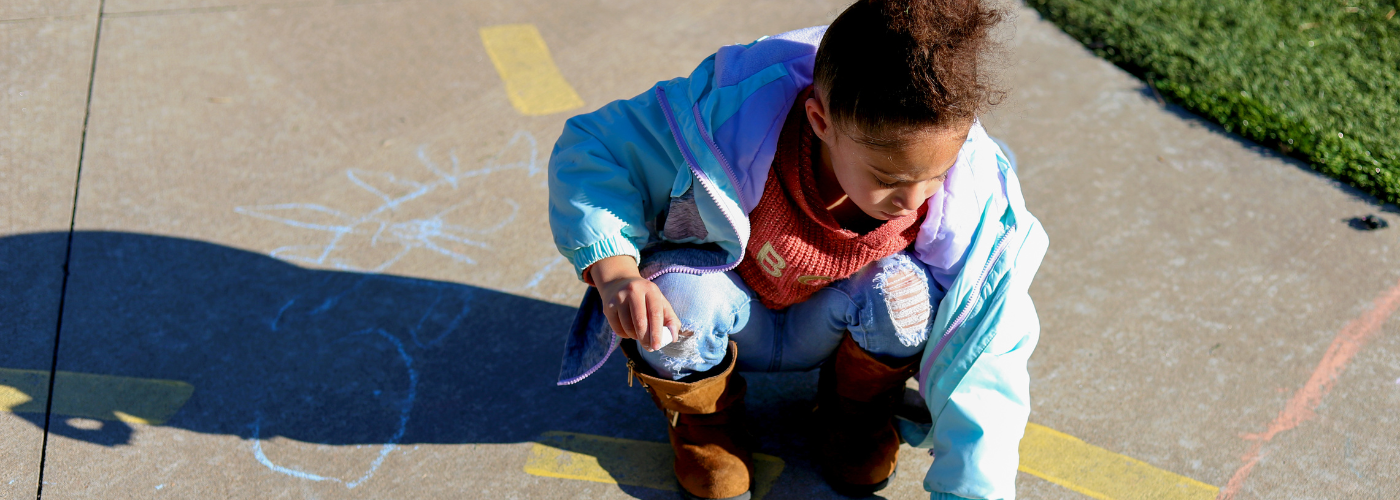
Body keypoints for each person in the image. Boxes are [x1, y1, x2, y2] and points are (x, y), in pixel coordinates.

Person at [547, 0, 1047, 498]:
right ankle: (706, 429)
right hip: (734, 309)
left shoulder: (972, 192)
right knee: (676, 294)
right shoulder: (725, 114)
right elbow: (594, 147)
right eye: (887, 179)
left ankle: (854, 417)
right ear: (820, 121)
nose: (912, 200)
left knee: (906, 293)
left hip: (830, 324)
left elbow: (989, 359)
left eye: (935, 175)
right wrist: (615, 272)